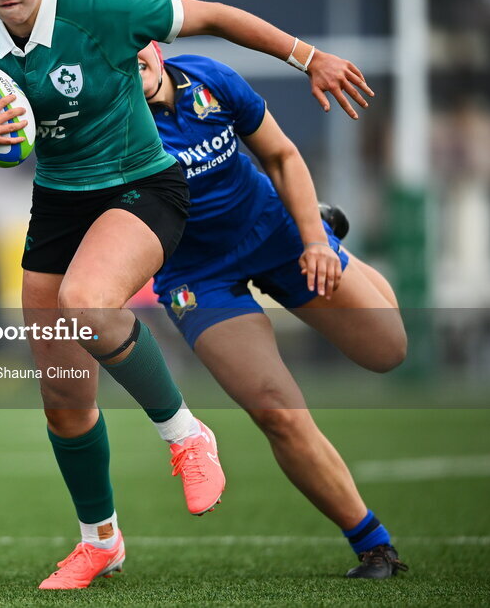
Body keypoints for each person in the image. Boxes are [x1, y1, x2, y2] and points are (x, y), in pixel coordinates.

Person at [0, 0, 374, 590]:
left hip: (143, 185)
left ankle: (186, 435)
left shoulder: (105, 11)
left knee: (89, 302)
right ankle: (100, 541)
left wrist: (308, 56)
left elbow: (219, 17)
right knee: (61, 390)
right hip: (59, 202)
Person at [137, 41, 409, 579]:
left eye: (132, 48)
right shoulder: (108, 122)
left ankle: (324, 230)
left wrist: (313, 241)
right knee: (275, 411)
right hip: (197, 277)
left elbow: (281, 154)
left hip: (277, 232)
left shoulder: (210, 78)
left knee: (389, 350)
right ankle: (374, 545)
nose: (124, 62)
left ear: (154, 46)